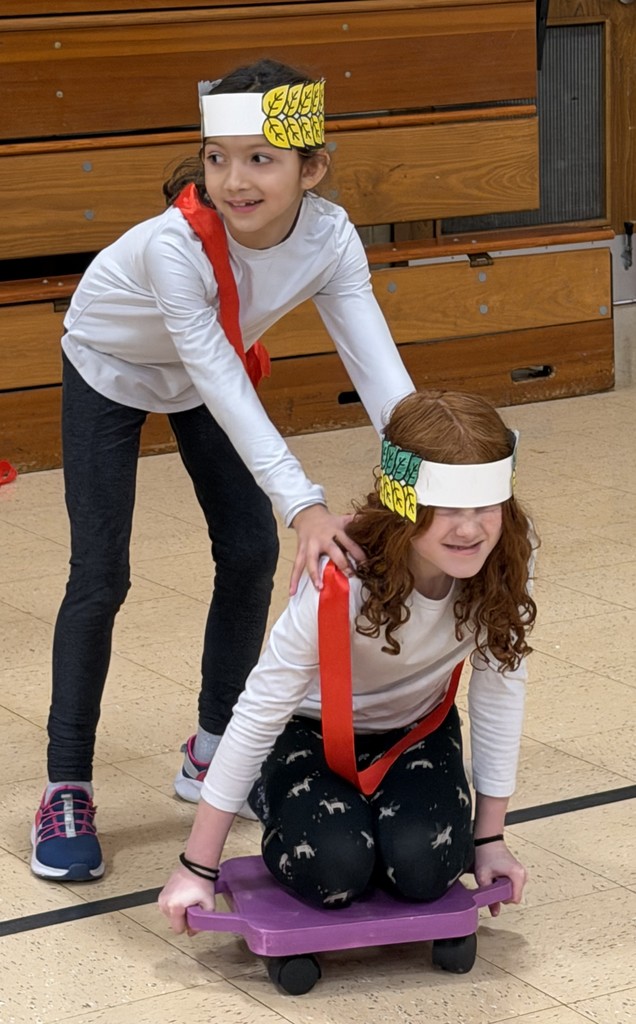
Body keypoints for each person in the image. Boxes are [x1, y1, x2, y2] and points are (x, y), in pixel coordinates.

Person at [31, 58, 414, 882]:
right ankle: (66, 783)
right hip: (109, 364)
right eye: (217, 156)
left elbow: (378, 369)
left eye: (261, 159)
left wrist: (428, 479)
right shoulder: (178, 248)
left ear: (312, 168)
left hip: (211, 366)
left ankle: (211, 750)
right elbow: (220, 385)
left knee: (247, 551)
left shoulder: (330, 237)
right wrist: (306, 503)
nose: (233, 181)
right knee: (100, 574)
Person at [158, 389, 536, 932]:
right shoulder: (341, 577)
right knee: (335, 872)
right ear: (404, 503)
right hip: (311, 732)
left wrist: (491, 839)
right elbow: (261, 708)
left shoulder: (507, 555)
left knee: (425, 871)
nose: (470, 528)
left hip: (416, 732)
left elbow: (501, 692)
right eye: (448, 507)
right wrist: (198, 866)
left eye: (485, 505)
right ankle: (269, 791)